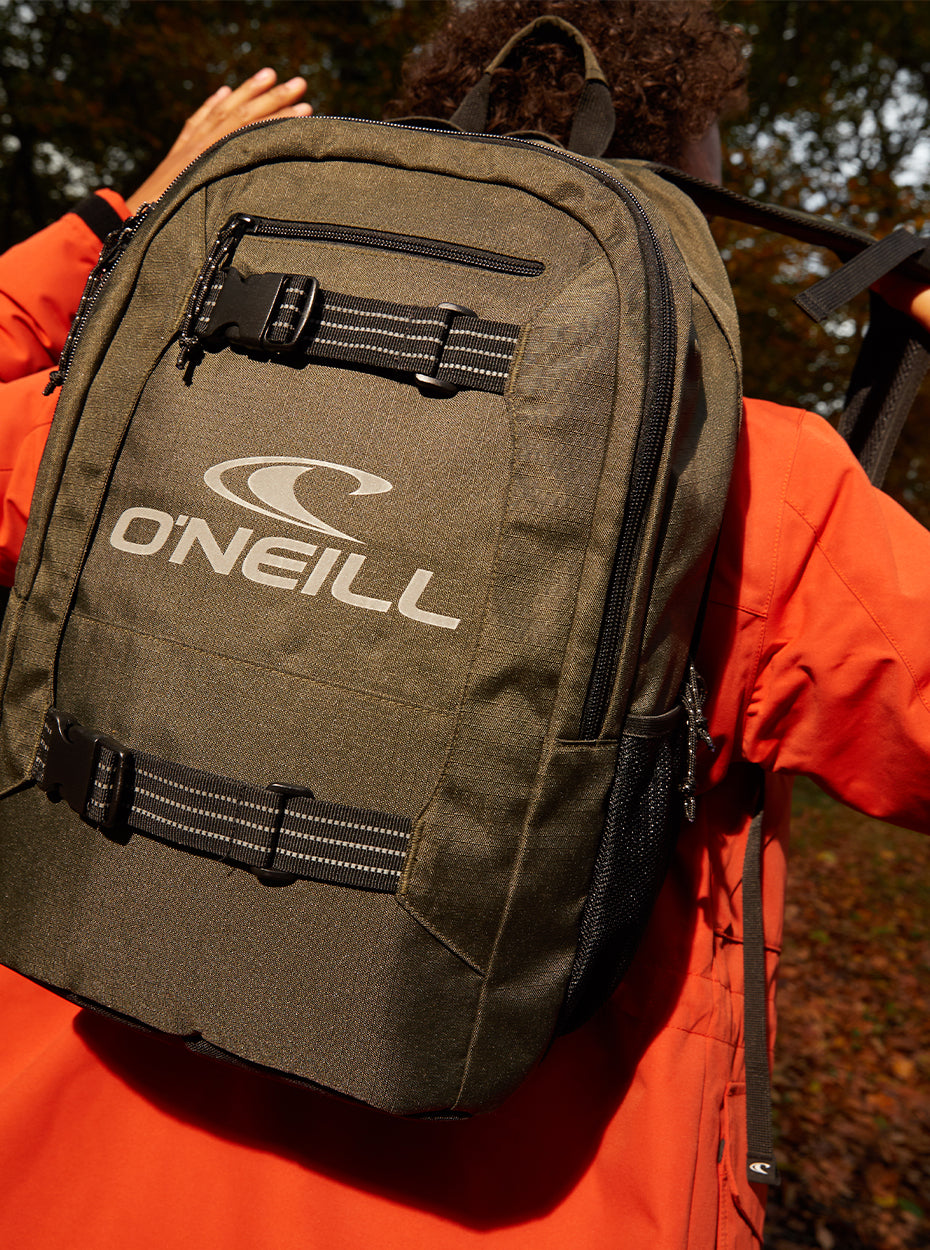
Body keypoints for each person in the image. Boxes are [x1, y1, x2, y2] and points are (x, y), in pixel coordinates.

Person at [0, 5, 928, 1248]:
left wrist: (118, 225)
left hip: (61, 1177)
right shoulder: (761, 489)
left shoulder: (132, 405)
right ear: (675, 188)